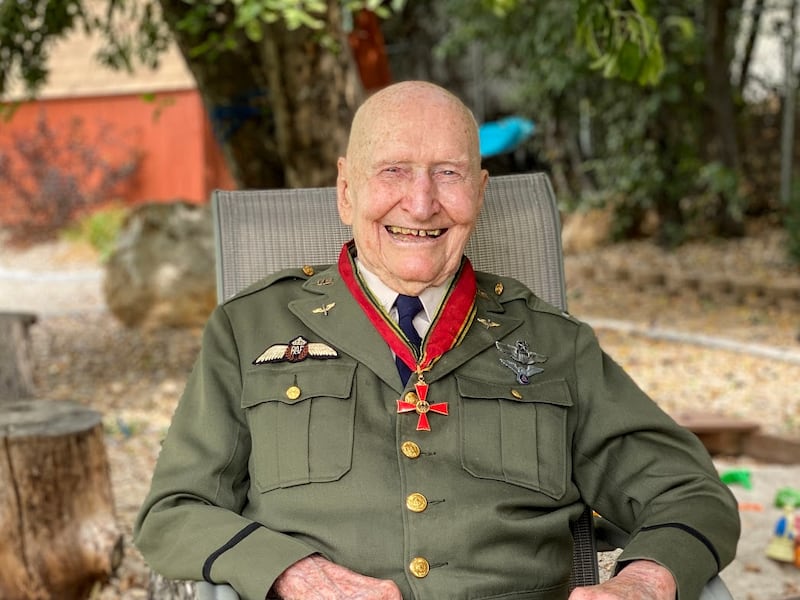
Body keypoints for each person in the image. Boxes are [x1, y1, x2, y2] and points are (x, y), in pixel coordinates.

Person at [134, 81, 740, 600]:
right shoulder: (250, 329)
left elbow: (688, 492)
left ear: (478, 191)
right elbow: (174, 511)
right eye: (393, 170)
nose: (421, 204)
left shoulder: (553, 344)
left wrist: (646, 579)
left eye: (447, 174)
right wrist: (291, 573)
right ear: (346, 190)